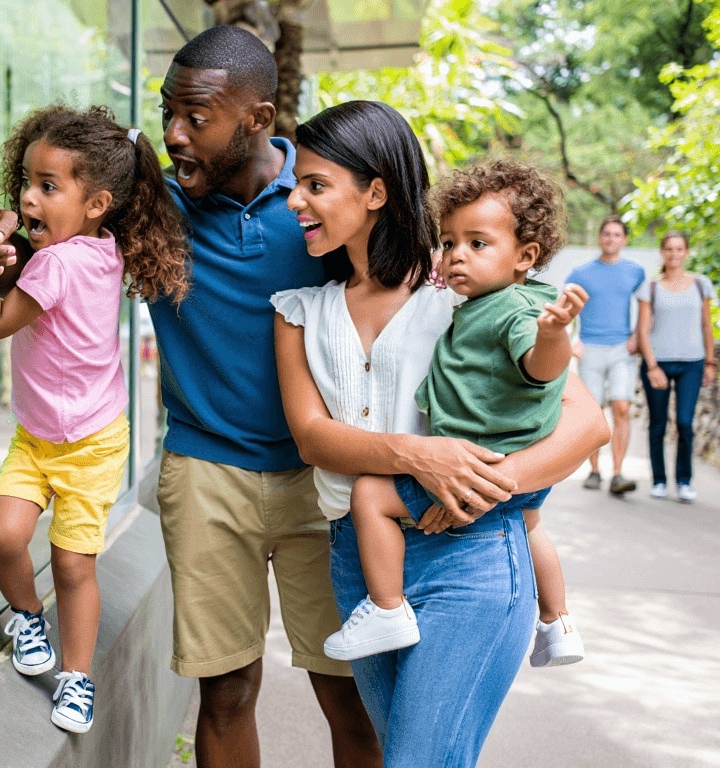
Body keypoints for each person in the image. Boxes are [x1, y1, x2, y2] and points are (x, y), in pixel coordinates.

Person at [0, 26, 382, 768]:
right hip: (206, 472)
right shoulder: (152, 203)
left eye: (196, 119)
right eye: (168, 112)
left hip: (321, 479)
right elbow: (56, 214)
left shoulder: (317, 198)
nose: (174, 134)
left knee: (349, 694)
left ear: (258, 119)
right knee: (228, 691)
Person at [272, 101, 608, 766]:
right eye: (294, 185)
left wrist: (487, 483)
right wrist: (421, 455)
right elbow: (313, 438)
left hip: (471, 550)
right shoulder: (300, 311)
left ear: (374, 192)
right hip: (358, 562)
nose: (293, 202)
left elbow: (587, 422)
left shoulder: (463, 293)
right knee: (410, 753)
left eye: (314, 184)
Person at [0, 103, 190, 734]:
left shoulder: (59, 262)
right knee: (3, 532)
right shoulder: (103, 248)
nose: (28, 196)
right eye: (26, 181)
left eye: (48, 186)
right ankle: (29, 617)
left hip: (90, 445)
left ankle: (76, 678)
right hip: (42, 436)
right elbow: (21, 255)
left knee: (71, 564)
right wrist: (4, 234)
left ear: (96, 202)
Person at [322, 157, 589, 670]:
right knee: (531, 527)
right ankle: (558, 621)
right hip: (513, 465)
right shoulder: (483, 302)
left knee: (371, 495)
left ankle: (386, 607)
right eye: (448, 243)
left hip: (480, 460)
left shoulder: (517, 309)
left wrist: (554, 334)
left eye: (477, 244)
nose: (455, 256)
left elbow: (539, 367)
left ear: (525, 255)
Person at [567, 215, 646, 495]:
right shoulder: (581, 273)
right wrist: (571, 341)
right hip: (590, 348)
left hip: (621, 349)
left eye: (617, 235)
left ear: (624, 240)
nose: (611, 239)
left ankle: (618, 473)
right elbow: (565, 308)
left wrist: (638, 335)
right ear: (600, 238)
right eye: (607, 234)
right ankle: (594, 470)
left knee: (622, 407)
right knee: (595, 411)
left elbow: (648, 306)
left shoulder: (635, 272)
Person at [635, 231, 716, 502]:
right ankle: (659, 480)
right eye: (669, 249)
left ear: (687, 252)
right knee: (657, 424)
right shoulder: (652, 286)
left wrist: (710, 361)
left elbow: (707, 325)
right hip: (658, 362)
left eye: (679, 249)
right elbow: (643, 330)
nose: (674, 254)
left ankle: (684, 481)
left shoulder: (701, 285)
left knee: (684, 422)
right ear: (662, 253)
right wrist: (652, 366)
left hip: (692, 363)